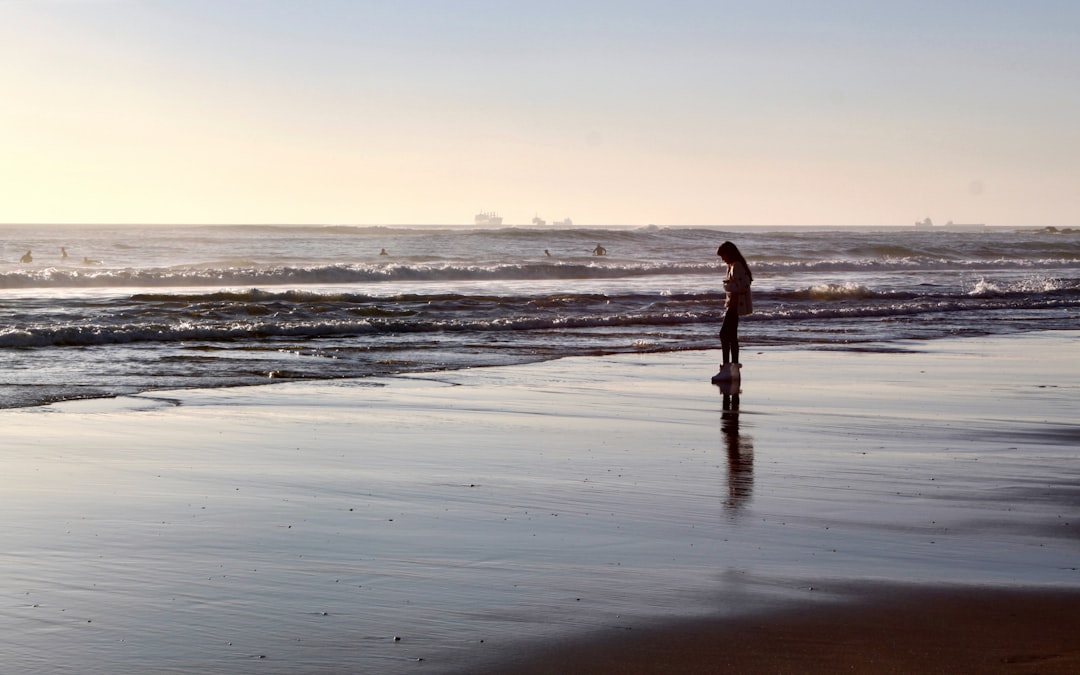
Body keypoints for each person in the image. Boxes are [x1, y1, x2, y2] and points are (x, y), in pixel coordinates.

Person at [715, 241, 753, 380]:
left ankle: (727, 368)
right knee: (731, 336)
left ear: (729, 253)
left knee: (724, 334)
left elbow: (744, 285)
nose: (722, 259)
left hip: (735, 306)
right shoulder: (732, 265)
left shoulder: (736, 265)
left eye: (723, 256)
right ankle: (733, 368)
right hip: (733, 305)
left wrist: (728, 286)